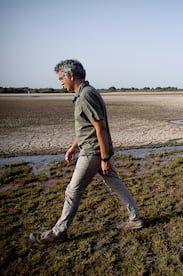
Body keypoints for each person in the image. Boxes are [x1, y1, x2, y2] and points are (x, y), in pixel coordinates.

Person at [30, 59, 143, 244]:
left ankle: (59, 232)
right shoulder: (86, 93)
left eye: (61, 78)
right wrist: (73, 147)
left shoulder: (86, 96)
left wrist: (104, 158)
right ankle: (135, 218)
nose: (60, 82)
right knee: (116, 184)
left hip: (93, 152)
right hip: (96, 150)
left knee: (72, 191)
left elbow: (100, 128)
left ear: (71, 76)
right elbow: (87, 128)